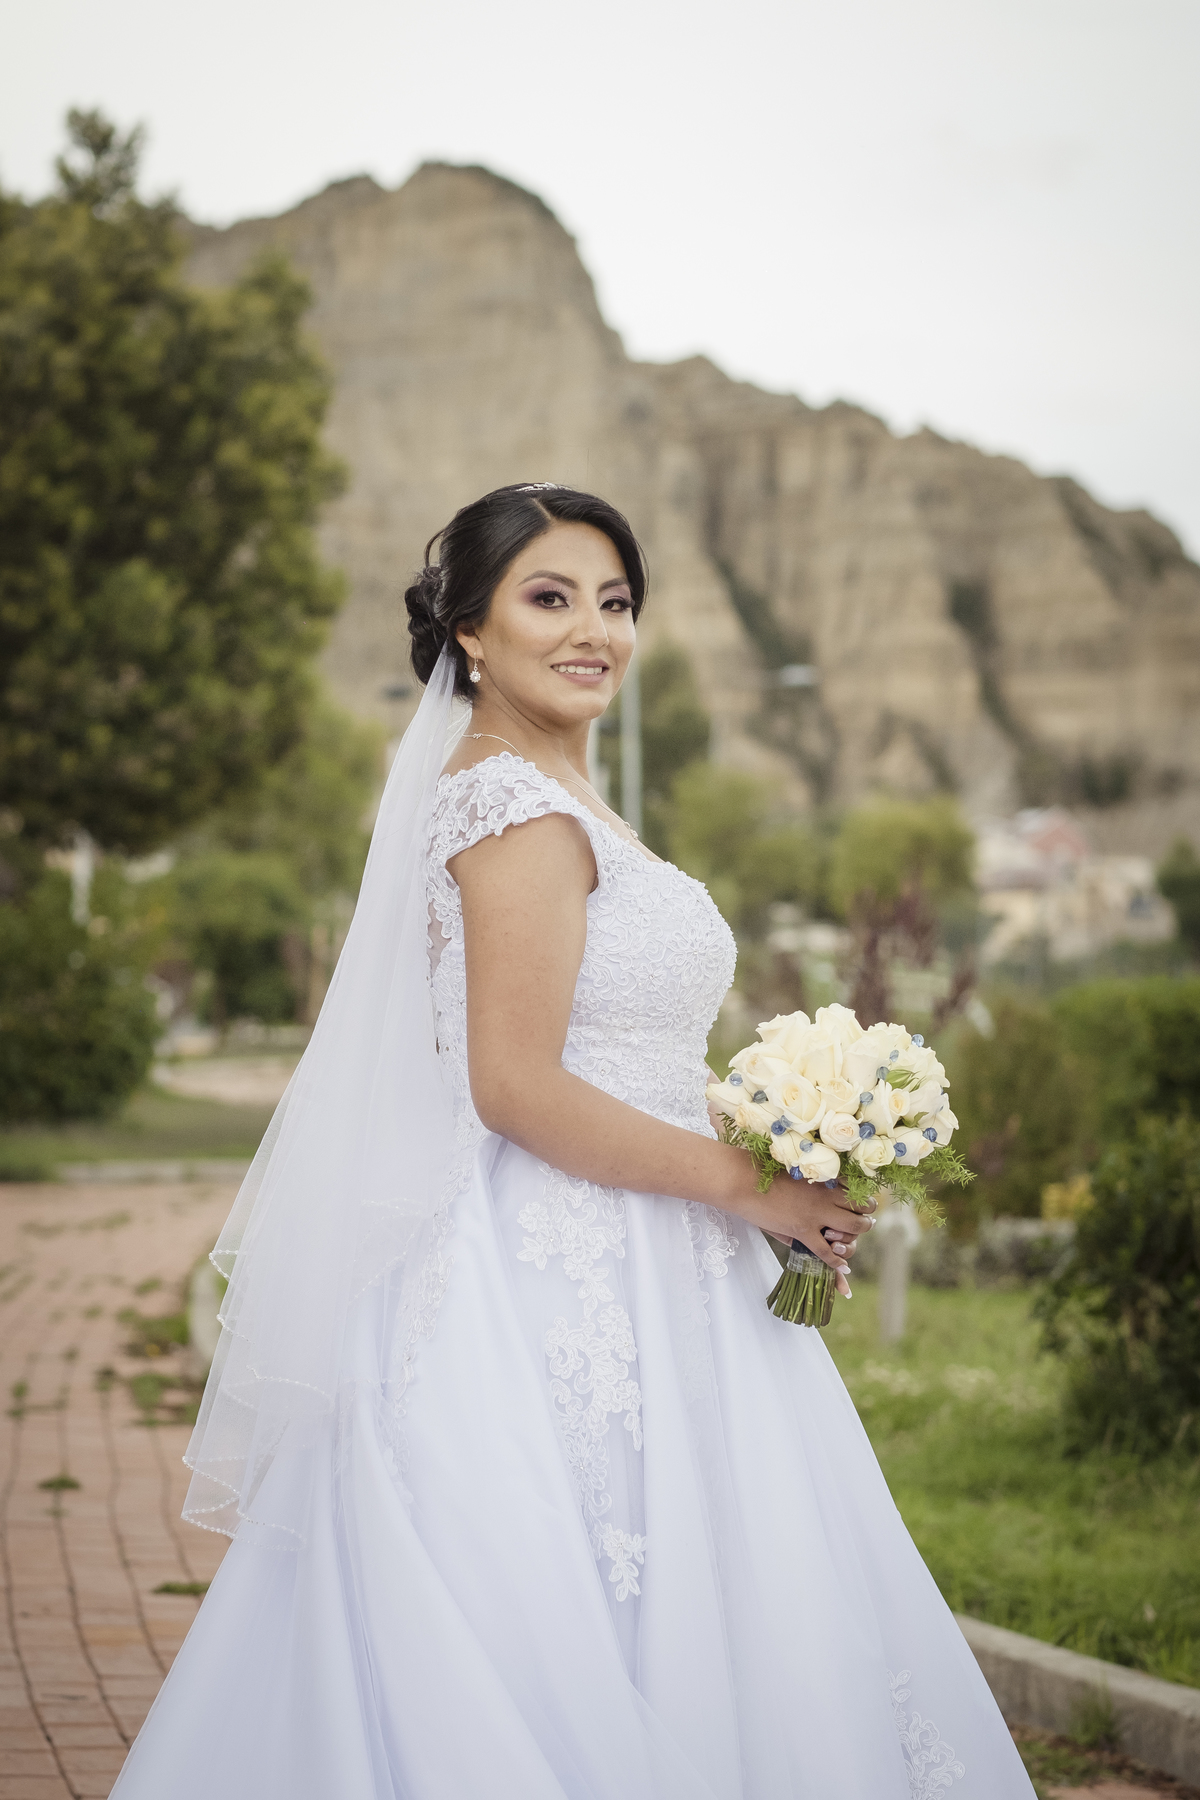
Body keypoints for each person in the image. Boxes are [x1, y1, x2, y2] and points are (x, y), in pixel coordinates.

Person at [112, 483, 1034, 1798]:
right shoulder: (515, 810)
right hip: (558, 1278)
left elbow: (617, 1053)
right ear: (471, 632)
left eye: (615, 601)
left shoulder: (552, 793)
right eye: (550, 598)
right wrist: (751, 1188)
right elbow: (516, 1086)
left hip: (650, 1245)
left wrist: (789, 1139)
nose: (594, 630)